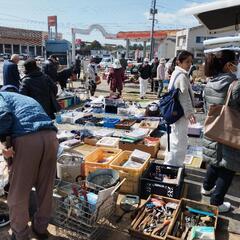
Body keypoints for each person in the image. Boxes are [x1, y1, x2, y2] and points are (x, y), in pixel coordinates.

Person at [0, 91, 58, 240]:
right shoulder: (25, 99)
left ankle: (20, 234)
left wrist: (3, 144)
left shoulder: (1, 96)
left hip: (28, 140)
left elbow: (4, 116)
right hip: (51, 138)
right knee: (45, 189)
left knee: (18, 194)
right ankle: (40, 229)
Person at [201, 50, 240, 213]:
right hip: (229, 131)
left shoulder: (210, 83)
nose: (237, 65)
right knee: (228, 167)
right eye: (235, 62)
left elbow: (205, 108)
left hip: (213, 128)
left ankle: (206, 187)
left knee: (214, 161)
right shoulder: (236, 85)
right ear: (228, 65)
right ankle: (216, 203)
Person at [164, 51, 196, 167]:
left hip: (174, 112)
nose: (189, 64)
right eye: (187, 62)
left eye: (191, 62)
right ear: (179, 62)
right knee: (180, 141)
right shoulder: (182, 75)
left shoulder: (175, 73)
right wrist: (190, 114)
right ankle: (175, 166)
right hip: (180, 113)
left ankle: (171, 164)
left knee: (174, 138)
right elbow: (184, 97)